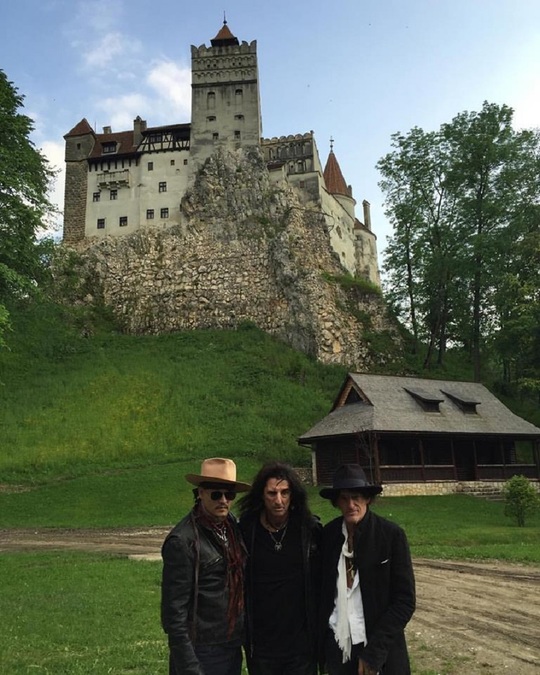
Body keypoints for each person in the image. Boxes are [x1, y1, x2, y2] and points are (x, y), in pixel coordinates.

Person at [318, 464, 415, 675]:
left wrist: (374, 652)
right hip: (339, 644)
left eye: (356, 497)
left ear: (367, 498)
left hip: (379, 647)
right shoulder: (329, 536)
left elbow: (405, 601)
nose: (351, 504)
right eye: (344, 498)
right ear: (336, 502)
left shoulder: (390, 536)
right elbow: (323, 593)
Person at [161, 457, 251, 675]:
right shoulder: (183, 541)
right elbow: (174, 614)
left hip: (230, 644)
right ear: (200, 493)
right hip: (201, 648)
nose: (223, 500)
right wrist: (189, 666)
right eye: (215, 494)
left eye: (229, 494)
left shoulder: (231, 526)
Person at [238, 461, 322, 675]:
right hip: (262, 644)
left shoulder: (309, 530)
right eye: (272, 493)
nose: (279, 500)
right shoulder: (247, 530)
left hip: (301, 644)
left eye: (285, 493)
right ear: (261, 495)